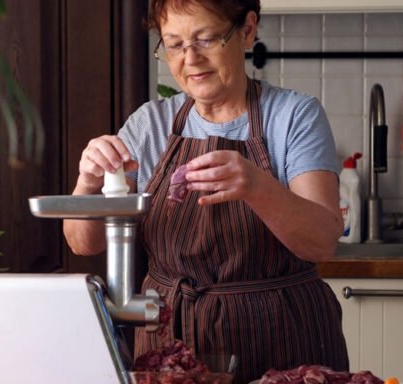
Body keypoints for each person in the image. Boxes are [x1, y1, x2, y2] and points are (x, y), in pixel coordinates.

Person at [62, 0, 349, 382]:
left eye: (206, 39)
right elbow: (84, 243)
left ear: (247, 30)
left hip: (284, 337)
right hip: (169, 336)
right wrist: (88, 181)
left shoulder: (294, 116)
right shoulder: (151, 124)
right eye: (174, 44)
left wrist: (256, 186)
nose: (190, 59)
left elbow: (321, 243)